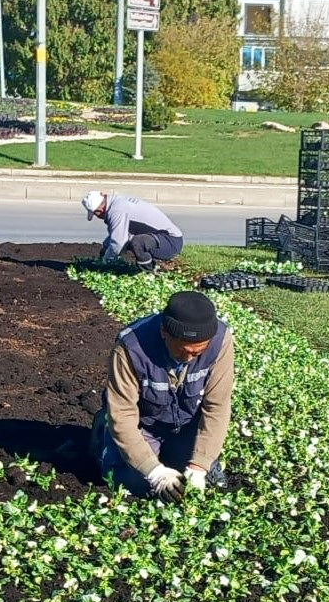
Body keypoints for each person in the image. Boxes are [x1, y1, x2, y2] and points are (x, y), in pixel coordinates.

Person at [93, 290, 234, 499]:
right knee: (135, 484)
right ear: (163, 332)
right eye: (182, 350)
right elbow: (123, 415)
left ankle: (180, 456)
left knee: (195, 482)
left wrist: (199, 465)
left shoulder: (220, 342)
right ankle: (101, 435)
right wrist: (154, 472)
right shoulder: (130, 348)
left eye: (197, 353)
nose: (188, 358)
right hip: (145, 425)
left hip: (185, 425)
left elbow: (217, 407)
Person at [82, 190, 185, 272]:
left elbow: (118, 243)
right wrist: (105, 249)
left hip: (170, 242)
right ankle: (148, 265)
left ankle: (148, 272)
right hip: (161, 238)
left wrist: (106, 264)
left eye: (95, 215)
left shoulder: (116, 211)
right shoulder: (117, 201)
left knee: (137, 242)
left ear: (99, 211)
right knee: (118, 245)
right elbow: (117, 235)